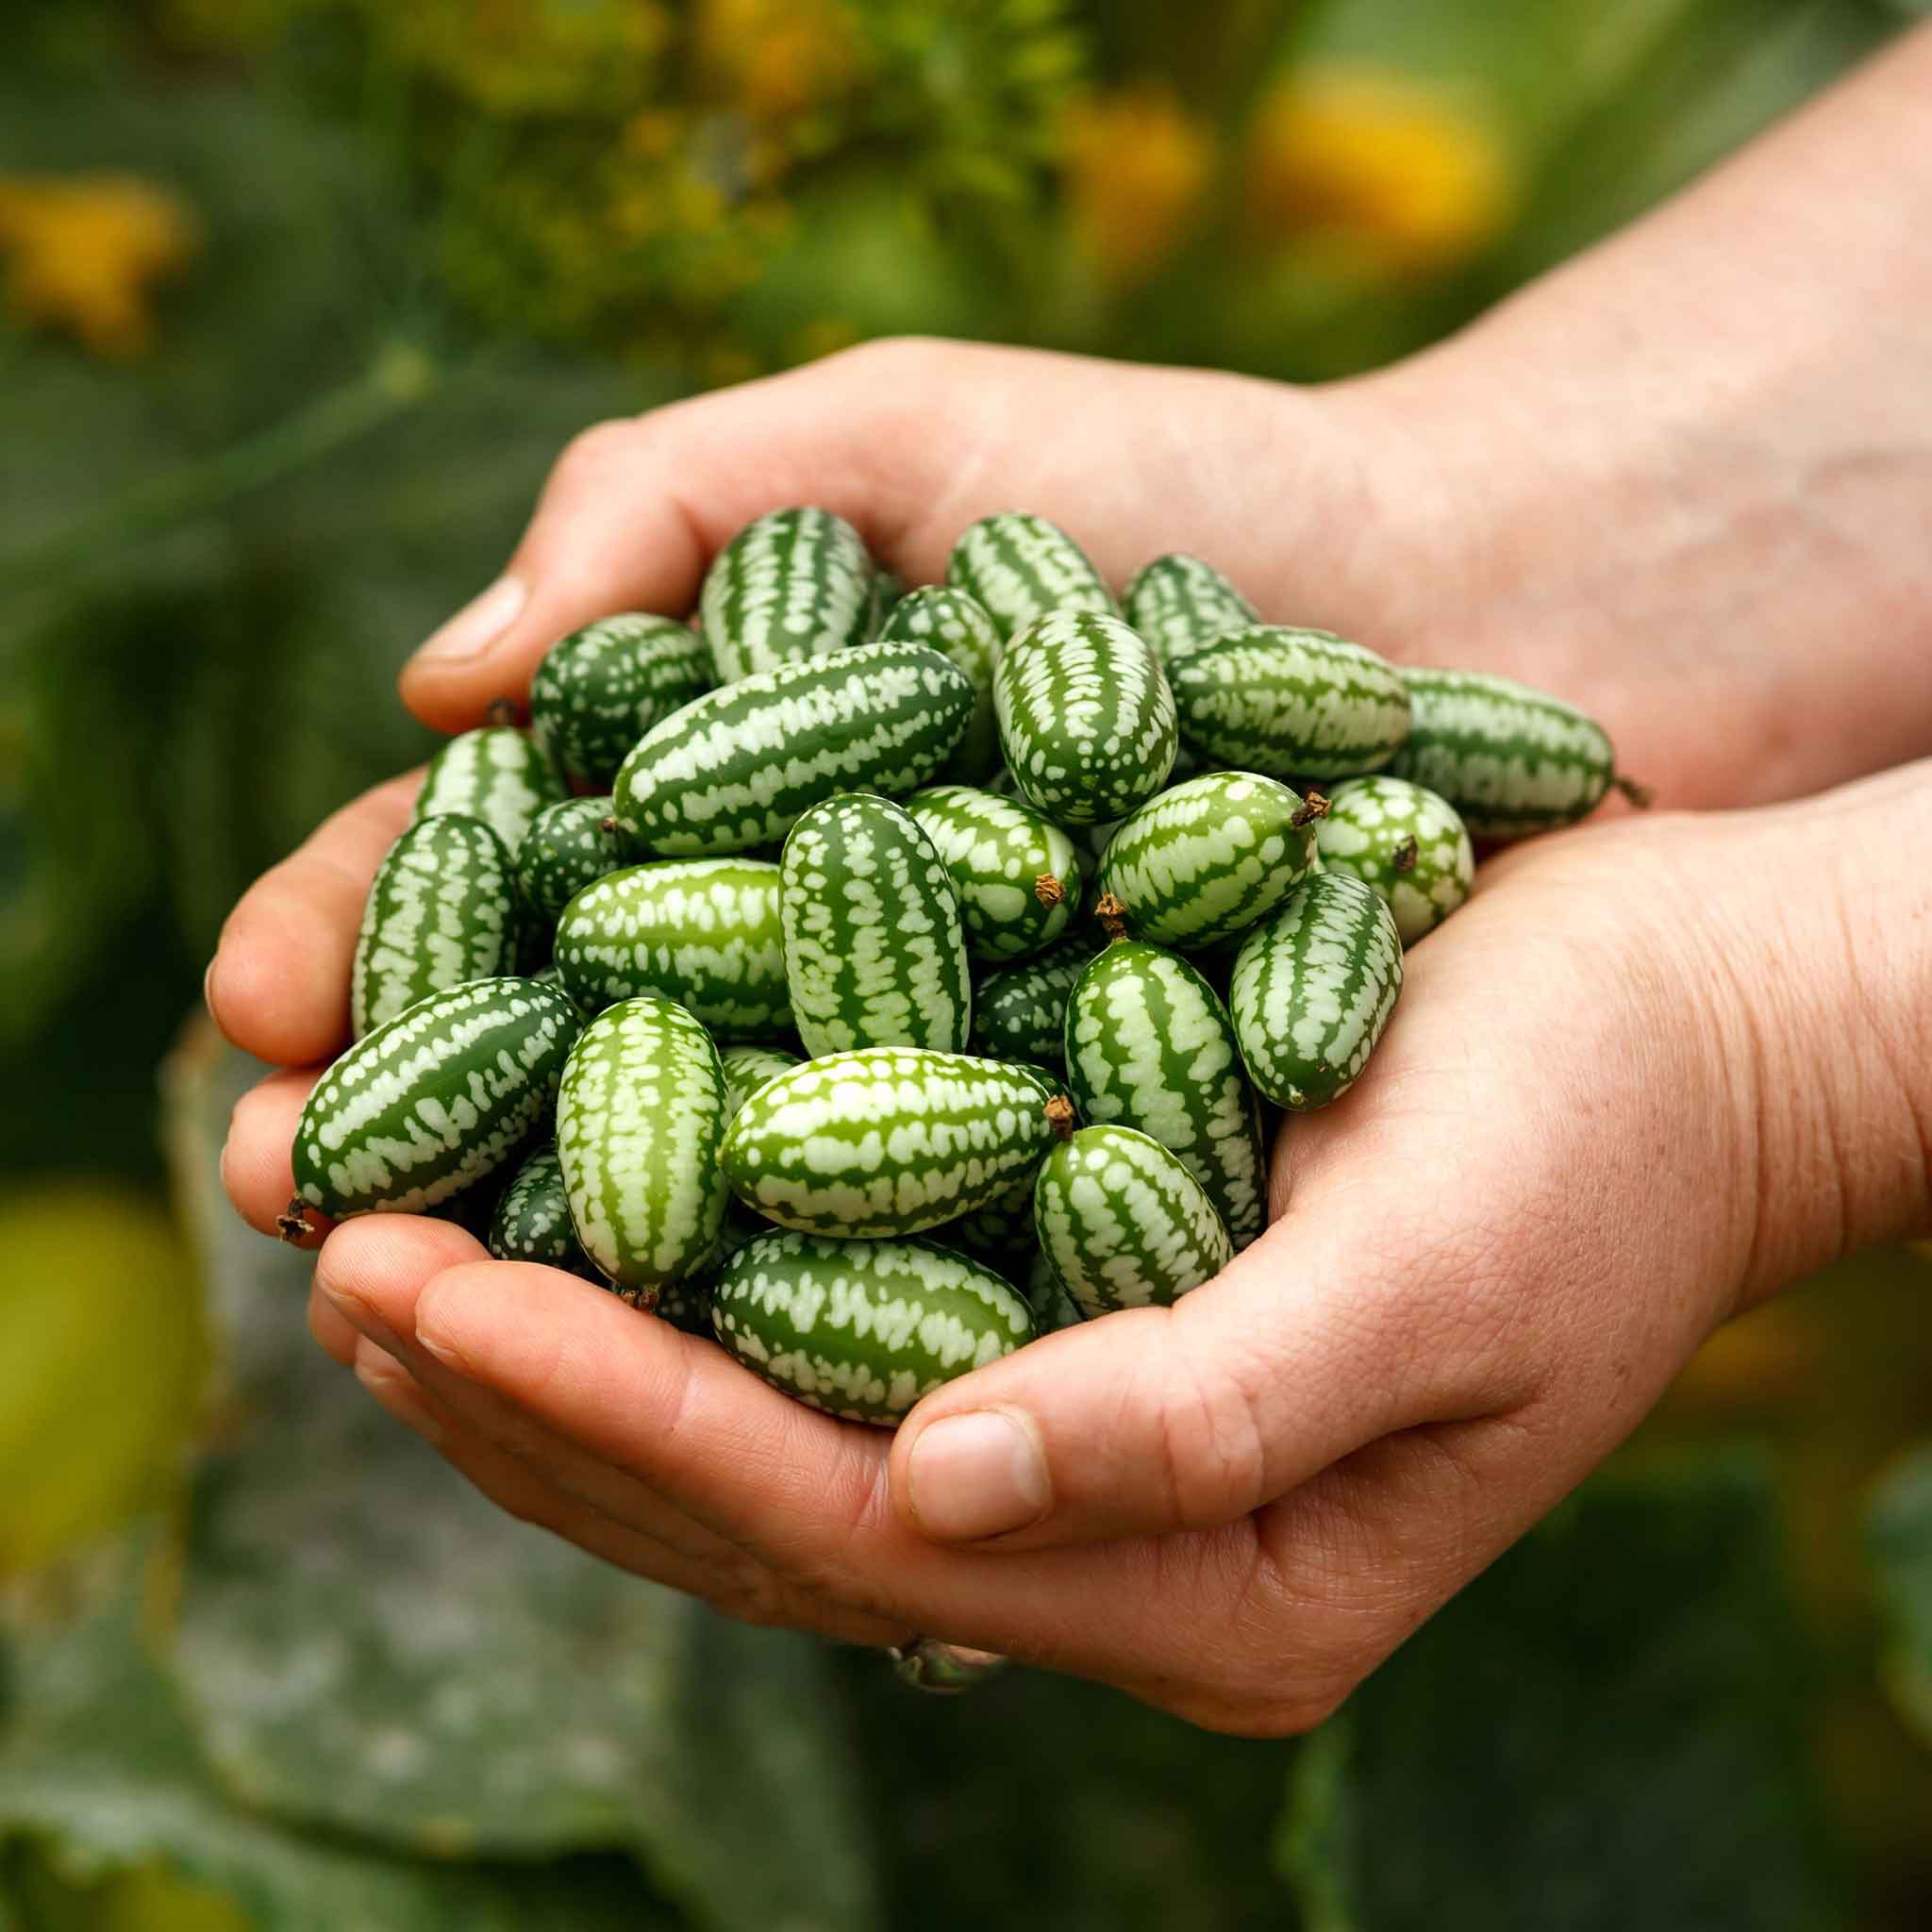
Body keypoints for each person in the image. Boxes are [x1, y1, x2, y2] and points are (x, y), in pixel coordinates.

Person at [206, 26, 1932, 1733]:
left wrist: (1775, 1041)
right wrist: (1524, 508)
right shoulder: (875, 823)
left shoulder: (1065, 858)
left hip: (980, 954)